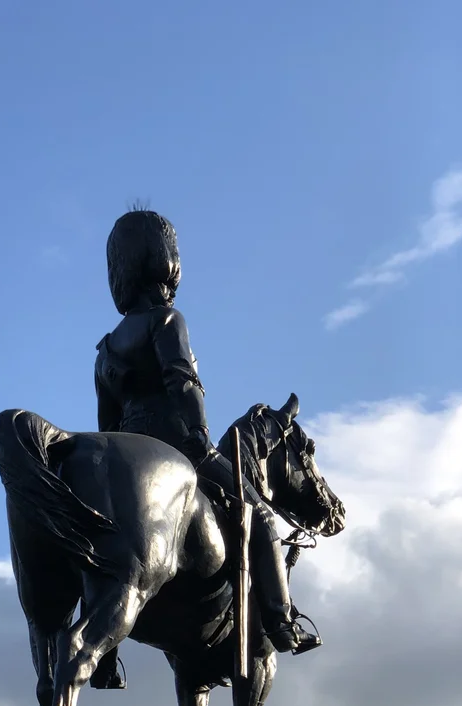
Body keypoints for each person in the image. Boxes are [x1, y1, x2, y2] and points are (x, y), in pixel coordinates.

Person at [91, 208, 320, 673]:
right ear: (163, 260)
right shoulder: (167, 320)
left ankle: (107, 652)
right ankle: (281, 621)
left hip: (126, 448)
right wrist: (200, 438)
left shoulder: (106, 349)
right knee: (258, 515)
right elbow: (184, 383)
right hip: (179, 444)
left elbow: (106, 426)